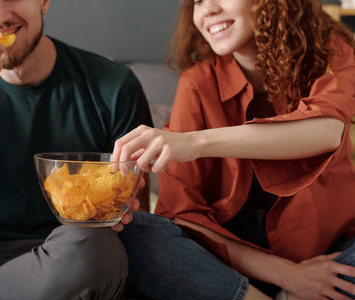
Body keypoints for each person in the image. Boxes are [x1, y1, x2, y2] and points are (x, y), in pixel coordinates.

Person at [0, 0, 153, 299]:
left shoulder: (113, 86)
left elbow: (131, 213)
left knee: (101, 250)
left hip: (59, 255)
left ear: (44, 2)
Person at [113, 0, 355, 299]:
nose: (207, 10)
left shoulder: (332, 48)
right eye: (198, 1)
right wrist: (290, 276)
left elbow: (328, 131)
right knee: (137, 232)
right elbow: (182, 213)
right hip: (232, 265)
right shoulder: (197, 83)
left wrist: (194, 142)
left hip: (328, 251)